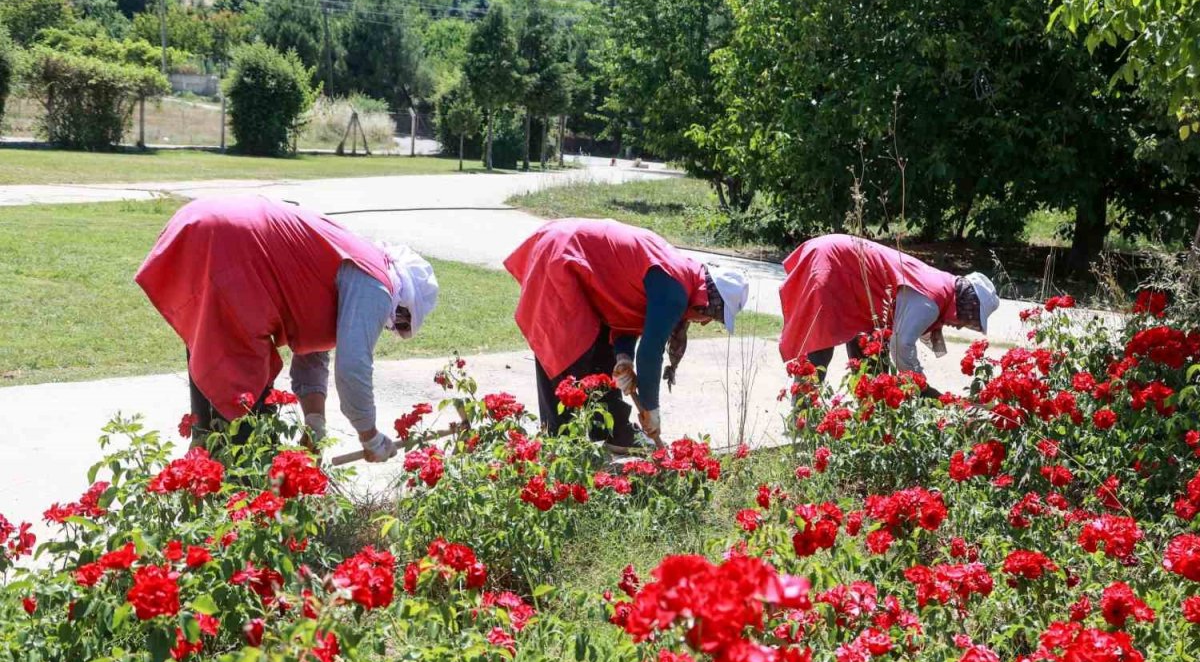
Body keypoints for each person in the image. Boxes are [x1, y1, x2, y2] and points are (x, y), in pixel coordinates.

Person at [135, 196, 438, 462]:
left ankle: (206, 488)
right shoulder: (376, 285)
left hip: (206, 225)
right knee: (244, 419)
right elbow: (353, 367)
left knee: (216, 367)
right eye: (397, 322)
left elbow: (313, 352)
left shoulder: (350, 257)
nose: (388, 327)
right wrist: (369, 436)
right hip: (231, 247)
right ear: (402, 304)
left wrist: (315, 423)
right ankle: (239, 507)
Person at [504, 218, 749, 449]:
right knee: (568, 353)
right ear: (708, 301)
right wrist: (651, 409)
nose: (705, 323)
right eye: (713, 316)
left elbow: (625, 307)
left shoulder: (681, 277)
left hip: (569, 252)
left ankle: (611, 431)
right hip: (562, 255)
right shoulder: (675, 289)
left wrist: (622, 357)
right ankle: (559, 443)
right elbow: (650, 354)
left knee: (601, 354)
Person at [778, 234, 999, 396]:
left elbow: (886, 340)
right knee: (819, 347)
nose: (961, 327)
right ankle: (803, 427)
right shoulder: (932, 300)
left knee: (872, 361)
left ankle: (869, 425)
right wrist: (919, 387)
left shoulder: (941, 288)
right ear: (966, 305)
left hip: (840, 263)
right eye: (969, 321)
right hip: (833, 264)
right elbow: (901, 343)